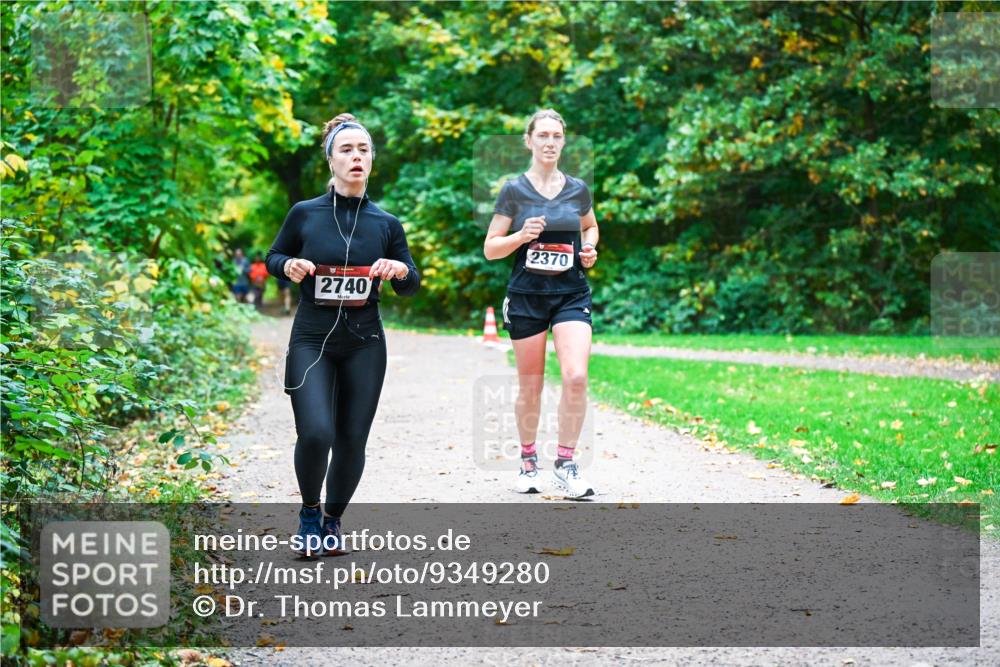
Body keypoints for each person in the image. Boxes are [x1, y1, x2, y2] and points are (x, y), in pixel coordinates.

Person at [266, 112, 419, 558]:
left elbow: (411, 283)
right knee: (316, 432)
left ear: (372, 160)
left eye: (364, 150)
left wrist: (400, 270)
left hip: (365, 343)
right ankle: (309, 513)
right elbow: (275, 256)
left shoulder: (386, 224)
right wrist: (287, 266)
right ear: (330, 161)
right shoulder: (304, 214)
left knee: (352, 438)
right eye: (346, 150)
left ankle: (333, 520)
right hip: (312, 339)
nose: (356, 157)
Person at [483, 109, 599, 499]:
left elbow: (590, 226)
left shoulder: (578, 188)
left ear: (564, 142)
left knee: (576, 376)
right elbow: (490, 249)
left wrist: (590, 249)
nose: (550, 142)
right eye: (543, 135)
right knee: (530, 385)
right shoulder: (514, 190)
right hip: (527, 297)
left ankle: (566, 464)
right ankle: (528, 460)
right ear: (529, 140)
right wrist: (519, 236)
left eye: (557, 136)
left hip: (570, 294)